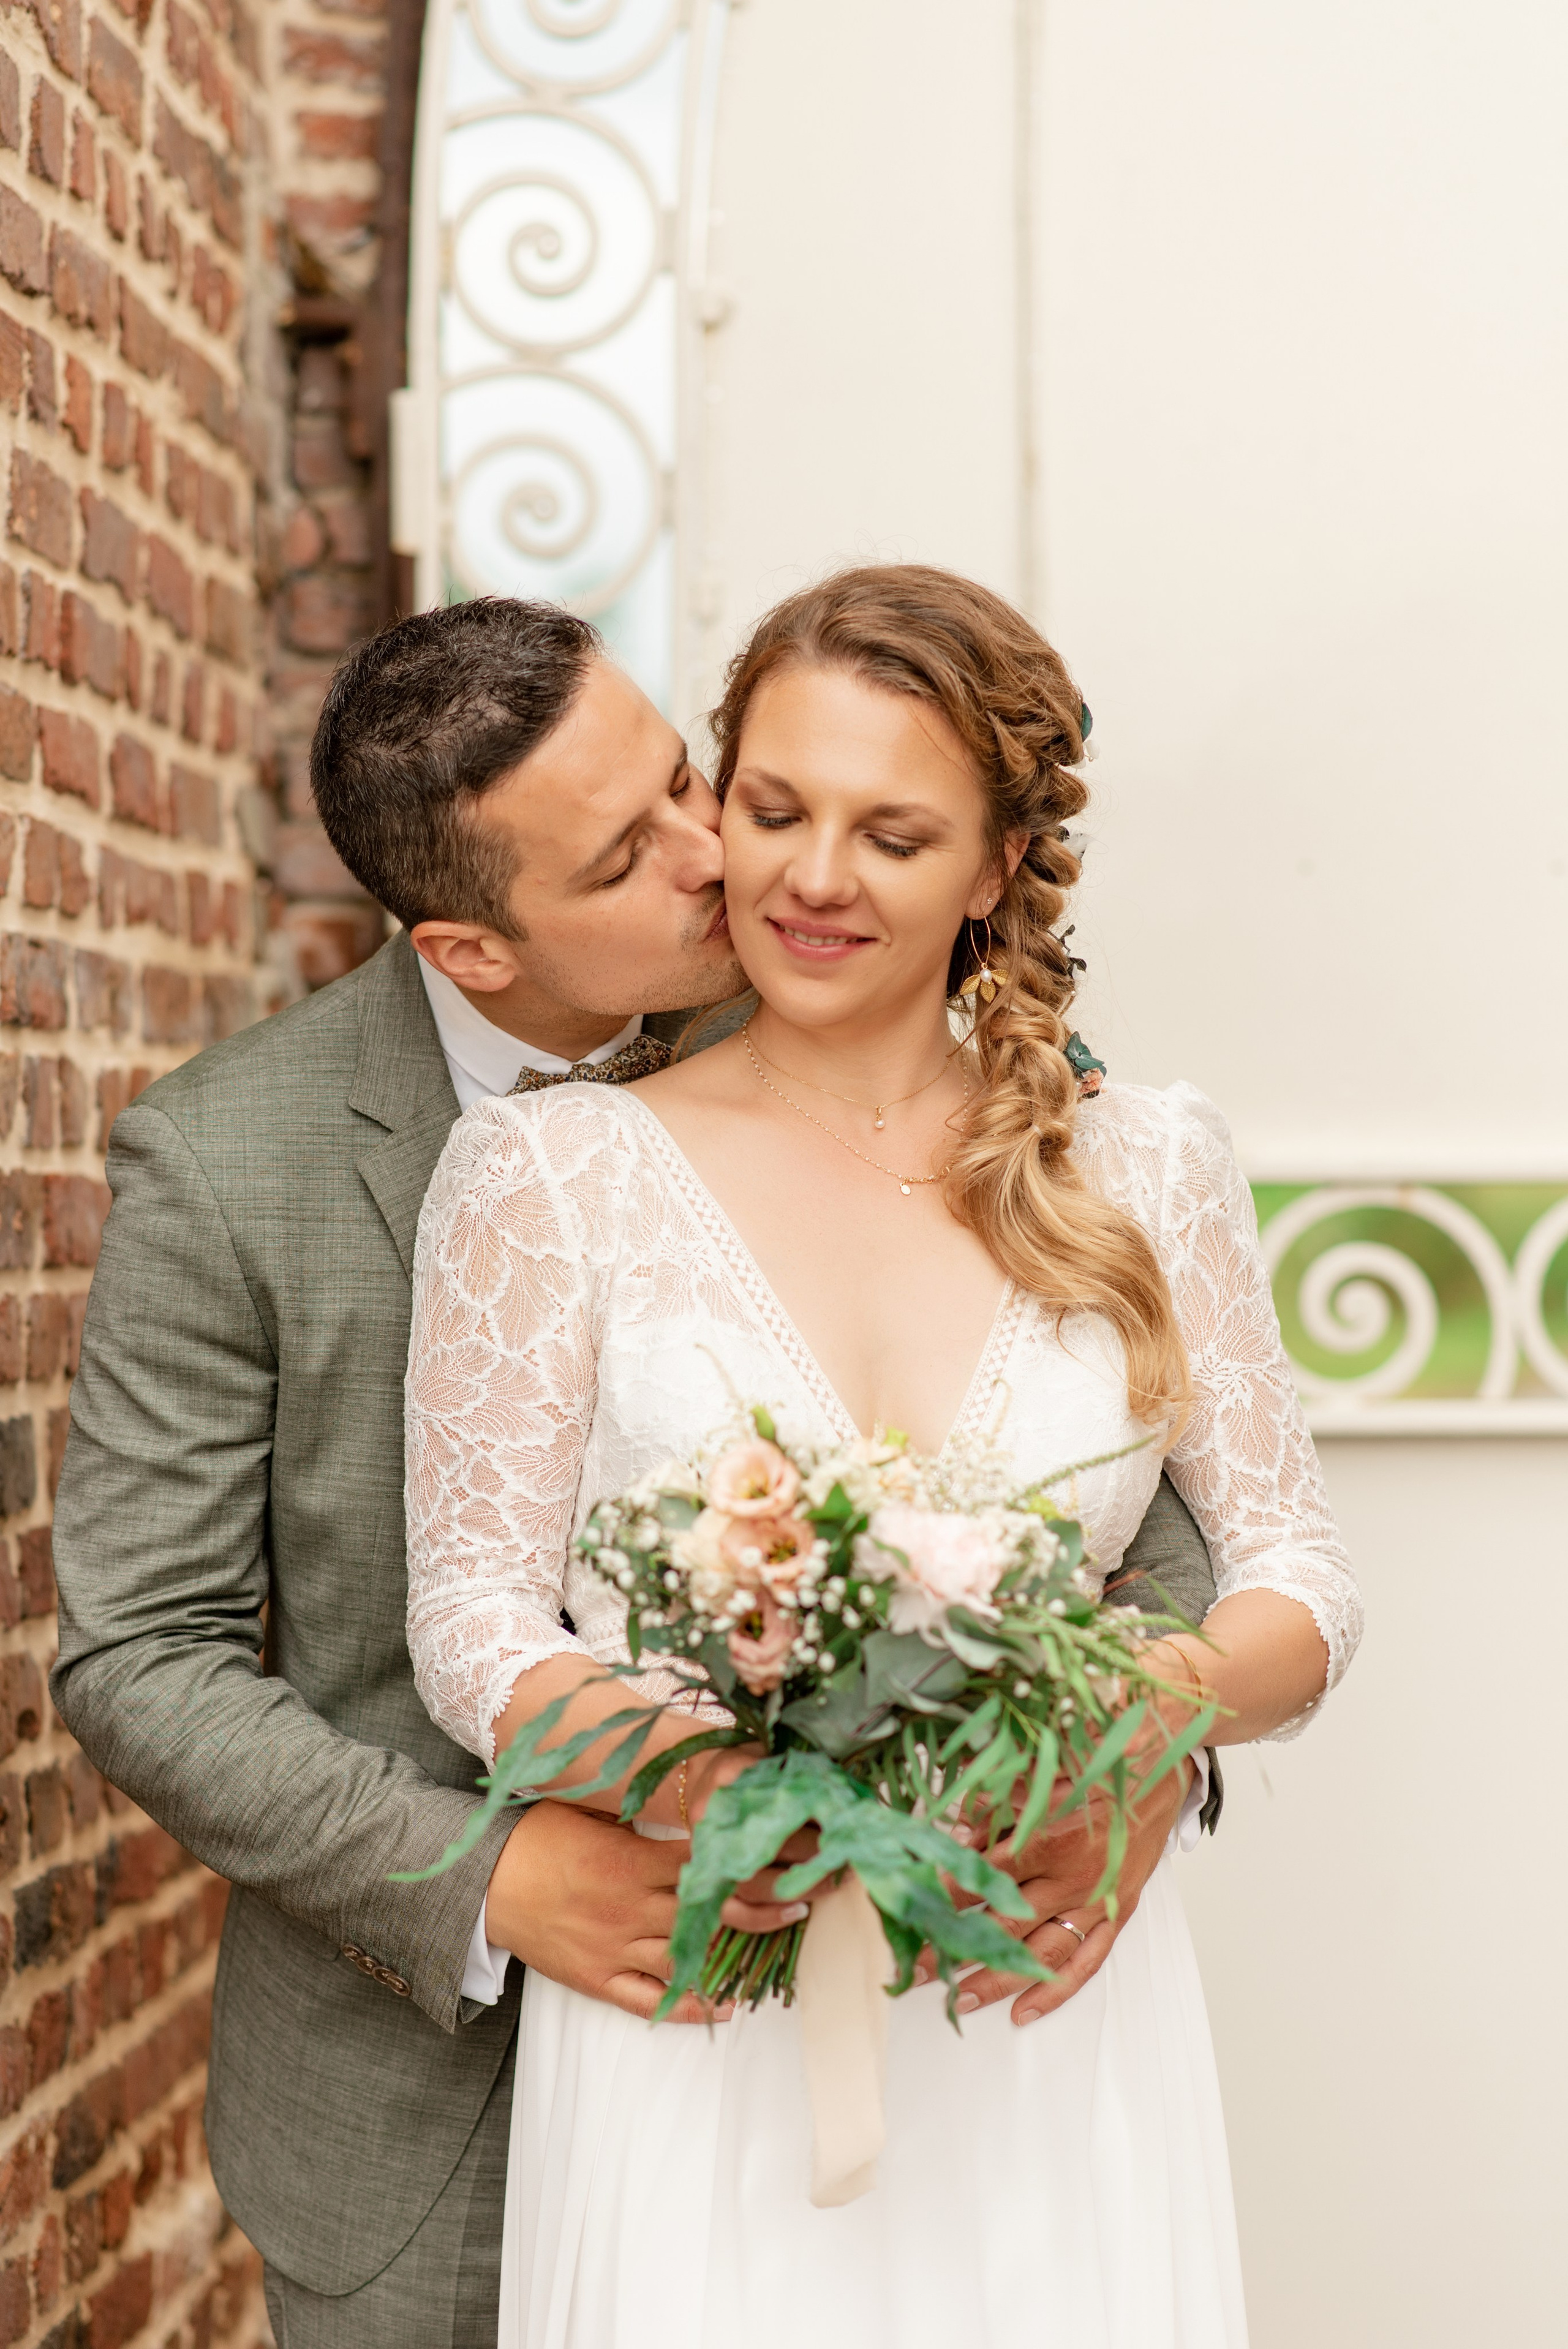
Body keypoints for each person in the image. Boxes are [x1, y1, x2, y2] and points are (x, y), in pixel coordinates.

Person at [49, 594, 1219, 2347]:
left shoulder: (878, 1001)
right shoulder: (231, 1166)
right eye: (624, 855)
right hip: (430, 2100)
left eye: (686, 779)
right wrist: (492, 1883)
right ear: (473, 951)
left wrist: (1130, 1763)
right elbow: (144, 1654)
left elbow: (1142, 1489)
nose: (716, 855)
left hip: (935, 2041)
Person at [404, 568, 1362, 2349]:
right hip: (706, 2003)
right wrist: (721, 1790)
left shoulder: (1148, 1165)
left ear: (995, 870)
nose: (814, 878)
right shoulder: (551, 1176)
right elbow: (470, 1615)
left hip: (1040, 2003)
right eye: (772, 810)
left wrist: (1130, 1713)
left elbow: (1303, 1578)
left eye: (893, 835)